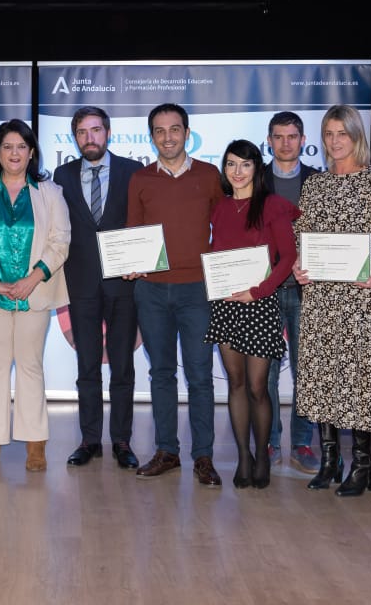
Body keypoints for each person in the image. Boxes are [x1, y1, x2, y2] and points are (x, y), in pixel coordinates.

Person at [0, 119, 70, 472]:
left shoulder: (50, 193)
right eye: (7, 147)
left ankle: (35, 443)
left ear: (32, 152)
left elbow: (60, 242)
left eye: (21, 146)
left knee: (30, 366)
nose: (14, 153)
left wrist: (34, 277)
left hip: (34, 293)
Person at [290, 105, 371, 494]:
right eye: (328, 134)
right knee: (321, 377)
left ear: (356, 136)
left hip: (362, 298)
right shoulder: (314, 184)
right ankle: (330, 460)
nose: (334, 142)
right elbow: (303, 234)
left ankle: (364, 464)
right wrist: (299, 265)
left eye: (342, 134)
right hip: (320, 297)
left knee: (361, 379)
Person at [127, 103, 224, 487]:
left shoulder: (210, 175)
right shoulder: (139, 179)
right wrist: (131, 261)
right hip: (150, 290)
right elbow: (133, 230)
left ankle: (204, 457)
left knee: (200, 376)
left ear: (187, 132)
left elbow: (226, 227)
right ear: (151, 136)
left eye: (174, 129)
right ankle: (167, 450)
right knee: (161, 373)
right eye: (159, 131)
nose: (167, 137)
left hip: (197, 290)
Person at [204, 140, 299, 489]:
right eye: (231, 164)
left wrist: (259, 291)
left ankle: (263, 454)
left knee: (259, 387)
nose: (237, 171)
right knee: (236, 384)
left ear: (257, 169)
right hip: (227, 305)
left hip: (259, 305)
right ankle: (243, 456)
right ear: (224, 169)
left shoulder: (273, 206)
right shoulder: (219, 208)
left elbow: (287, 257)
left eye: (245, 164)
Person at [52, 106, 141, 470]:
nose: (90, 138)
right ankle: (90, 439)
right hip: (81, 283)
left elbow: (144, 223)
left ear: (108, 132)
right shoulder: (62, 175)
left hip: (124, 285)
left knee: (122, 368)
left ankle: (121, 440)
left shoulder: (133, 172)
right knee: (86, 366)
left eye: (96, 130)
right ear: (75, 137)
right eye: (82, 132)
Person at [263, 111, 322, 474]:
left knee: (307, 370)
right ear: (268, 140)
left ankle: (302, 442)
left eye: (292, 136)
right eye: (278, 136)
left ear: (303, 139)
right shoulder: (255, 181)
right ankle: (270, 441)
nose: (285, 143)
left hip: (308, 289)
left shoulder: (319, 181)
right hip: (267, 288)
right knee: (266, 374)